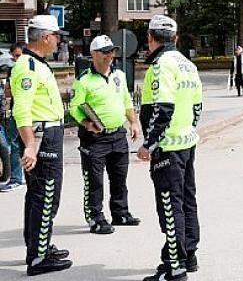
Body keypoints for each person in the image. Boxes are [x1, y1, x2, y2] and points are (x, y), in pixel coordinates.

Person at [137, 15, 203, 281]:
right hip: (186, 143)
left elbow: (161, 108)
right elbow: (197, 108)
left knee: (170, 205)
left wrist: (149, 143)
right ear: (175, 38)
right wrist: (187, 129)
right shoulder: (187, 64)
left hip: (167, 147)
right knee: (187, 201)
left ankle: (175, 266)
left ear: (150, 39)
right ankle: (189, 254)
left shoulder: (161, 65)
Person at [11, 16, 72, 276]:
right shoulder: (28, 67)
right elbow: (21, 109)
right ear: (46, 37)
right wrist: (29, 145)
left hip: (47, 133)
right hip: (41, 136)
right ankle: (38, 257)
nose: (59, 41)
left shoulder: (36, 63)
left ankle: (38, 246)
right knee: (46, 195)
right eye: (57, 36)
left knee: (37, 194)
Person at [69, 35, 142, 235]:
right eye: (105, 52)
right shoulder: (83, 80)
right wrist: (87, 123)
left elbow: (126, 100)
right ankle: (95, 218)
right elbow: (74, 107)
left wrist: (133, 122)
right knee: (94, 181)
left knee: (119, 178)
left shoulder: (119, 75)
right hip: (95, 139)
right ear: (93, 54)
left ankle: (120, 213)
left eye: (112, 51)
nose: (110, 56)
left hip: (118, 135)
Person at [1, 42, 26, 192]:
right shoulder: (13, 70)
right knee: (17, 144)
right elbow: (8, 92)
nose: (17, 59)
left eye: (19, 56)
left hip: (27, 111)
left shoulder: (29, 69)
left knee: (16, 144)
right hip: (16, 110)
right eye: (15, 56)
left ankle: (17, 178)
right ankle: (19, 177)